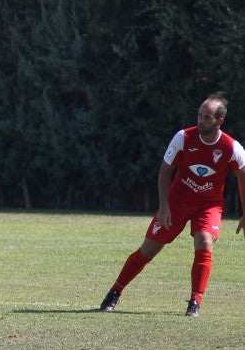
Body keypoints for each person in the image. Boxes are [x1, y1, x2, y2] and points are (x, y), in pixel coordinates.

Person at [100, 93, 245, 317]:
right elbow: (165, 171)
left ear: (219, 121)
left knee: (205, 241)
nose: (200, 120)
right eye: (199, 115)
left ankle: (195, 301)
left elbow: (242, 178)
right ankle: (115, 290)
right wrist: (164, 207)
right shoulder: (183, 138)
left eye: (206, 117)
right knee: (148, 250)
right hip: (177, 201)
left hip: (209, 205)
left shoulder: (231, 148)